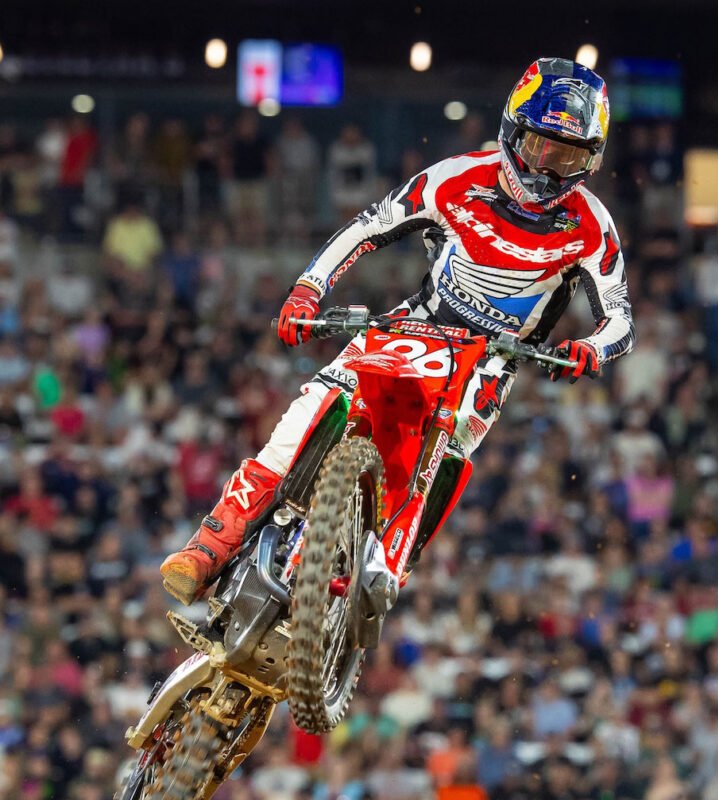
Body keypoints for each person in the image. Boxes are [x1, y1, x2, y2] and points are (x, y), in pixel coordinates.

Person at [161, 57, 635, 605]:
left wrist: (590, 349)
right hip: (420, 322)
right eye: (540, 148)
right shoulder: (455, 176)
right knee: (315, 401)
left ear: (591, 160)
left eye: (568, 157)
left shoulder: (593, 225)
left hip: (495, 356)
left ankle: (393, 560)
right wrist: (308, 289)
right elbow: (370, 226)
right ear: (511, 131)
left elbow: (620, 318)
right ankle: (211, 544)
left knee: (454, 439)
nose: (548, 170)